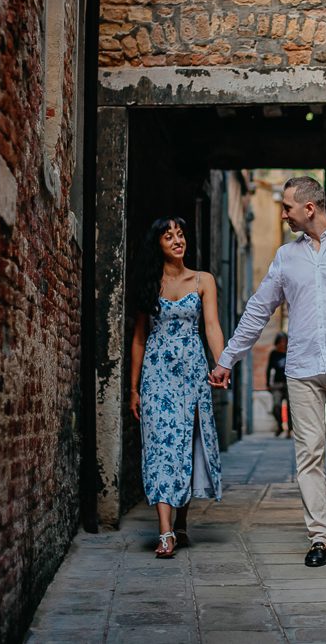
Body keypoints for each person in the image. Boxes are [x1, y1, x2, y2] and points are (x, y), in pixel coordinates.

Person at [209, 176, 326, 567]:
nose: (283, 213)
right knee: (308, 452)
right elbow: (259, 309)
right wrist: (227, 359)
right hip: (303, 367)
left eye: (287, 207)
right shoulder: (286, 258)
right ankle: (320, 536)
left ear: (309, 208)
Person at [129, 216, 225, 559]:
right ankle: (166, 531)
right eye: (168, 236)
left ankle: (180, 525)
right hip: (156, 377)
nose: (176, 240)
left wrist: (222, 363)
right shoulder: (149, 283)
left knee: (186, 443)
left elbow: (211, 326)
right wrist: (134, 388)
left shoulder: (203, 281)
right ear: (158, 244)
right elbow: (139, 338)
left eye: (180, 234)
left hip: (192, 376)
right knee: (160, 447)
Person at [267, 333, 290, 436]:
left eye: (284, 341)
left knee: (291, 407)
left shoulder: (291, 352)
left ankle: (289, 429)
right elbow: (269, 368)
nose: (282, 343)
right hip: (277, 384)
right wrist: (268, 383)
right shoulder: (274, 354)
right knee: (276, 406)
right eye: (280, 341)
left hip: (290, 383)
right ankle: (280, 426)